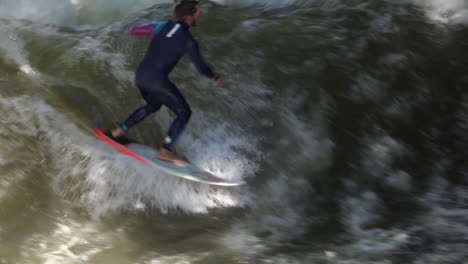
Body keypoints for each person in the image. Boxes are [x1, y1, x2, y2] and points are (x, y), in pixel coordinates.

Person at [108, 0, 223, 164]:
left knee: (152, 105)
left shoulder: (162, 26)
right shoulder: (188, 40)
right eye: (198, 11)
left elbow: (135, 29)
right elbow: (201, 66)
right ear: (192, 12)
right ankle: (166, 151)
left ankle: (117, 133)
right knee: (184, 113)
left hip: (141, 76)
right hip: (157, 80)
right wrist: (216, 76)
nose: (200, 14)